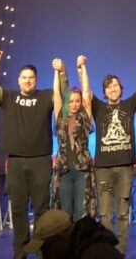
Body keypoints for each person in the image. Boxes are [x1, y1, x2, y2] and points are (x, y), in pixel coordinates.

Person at [0, 45, 68, 259]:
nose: (27, 80)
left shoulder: (46, 96)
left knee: (42, 210)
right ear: (19, 80)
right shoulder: (10, 97)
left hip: (40, 161)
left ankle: (42, 251)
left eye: (31, 77)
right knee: (19, 210)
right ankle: (20, 252)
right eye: (24, 77)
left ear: (36, 80)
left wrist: (62, 72)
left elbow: (64, 96)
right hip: (16, 163)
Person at [85, 51, 136, 254]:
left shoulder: (129, 104)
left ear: (120, 89)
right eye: (109, 86)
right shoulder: (98, 107)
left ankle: (121, 251)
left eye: (115, 85)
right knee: (105, 215)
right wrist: (83, 69)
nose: (112, 89)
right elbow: (87, 91)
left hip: (124, 167)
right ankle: (107, 252)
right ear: (104, 91)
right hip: (103, 168)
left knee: (123, 213)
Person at [53, 55, 97, 221]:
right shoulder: (60, 117)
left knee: (81, 212)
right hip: (64, 170)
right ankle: (67, 245)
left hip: (82, 170)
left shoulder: (84, 117)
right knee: (65, 213)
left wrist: (83, 67)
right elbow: (57, 94)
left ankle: (80, 245)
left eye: (77, 101)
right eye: (71, 101)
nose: (74, 104)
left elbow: (86, 91)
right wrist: (56, 72)